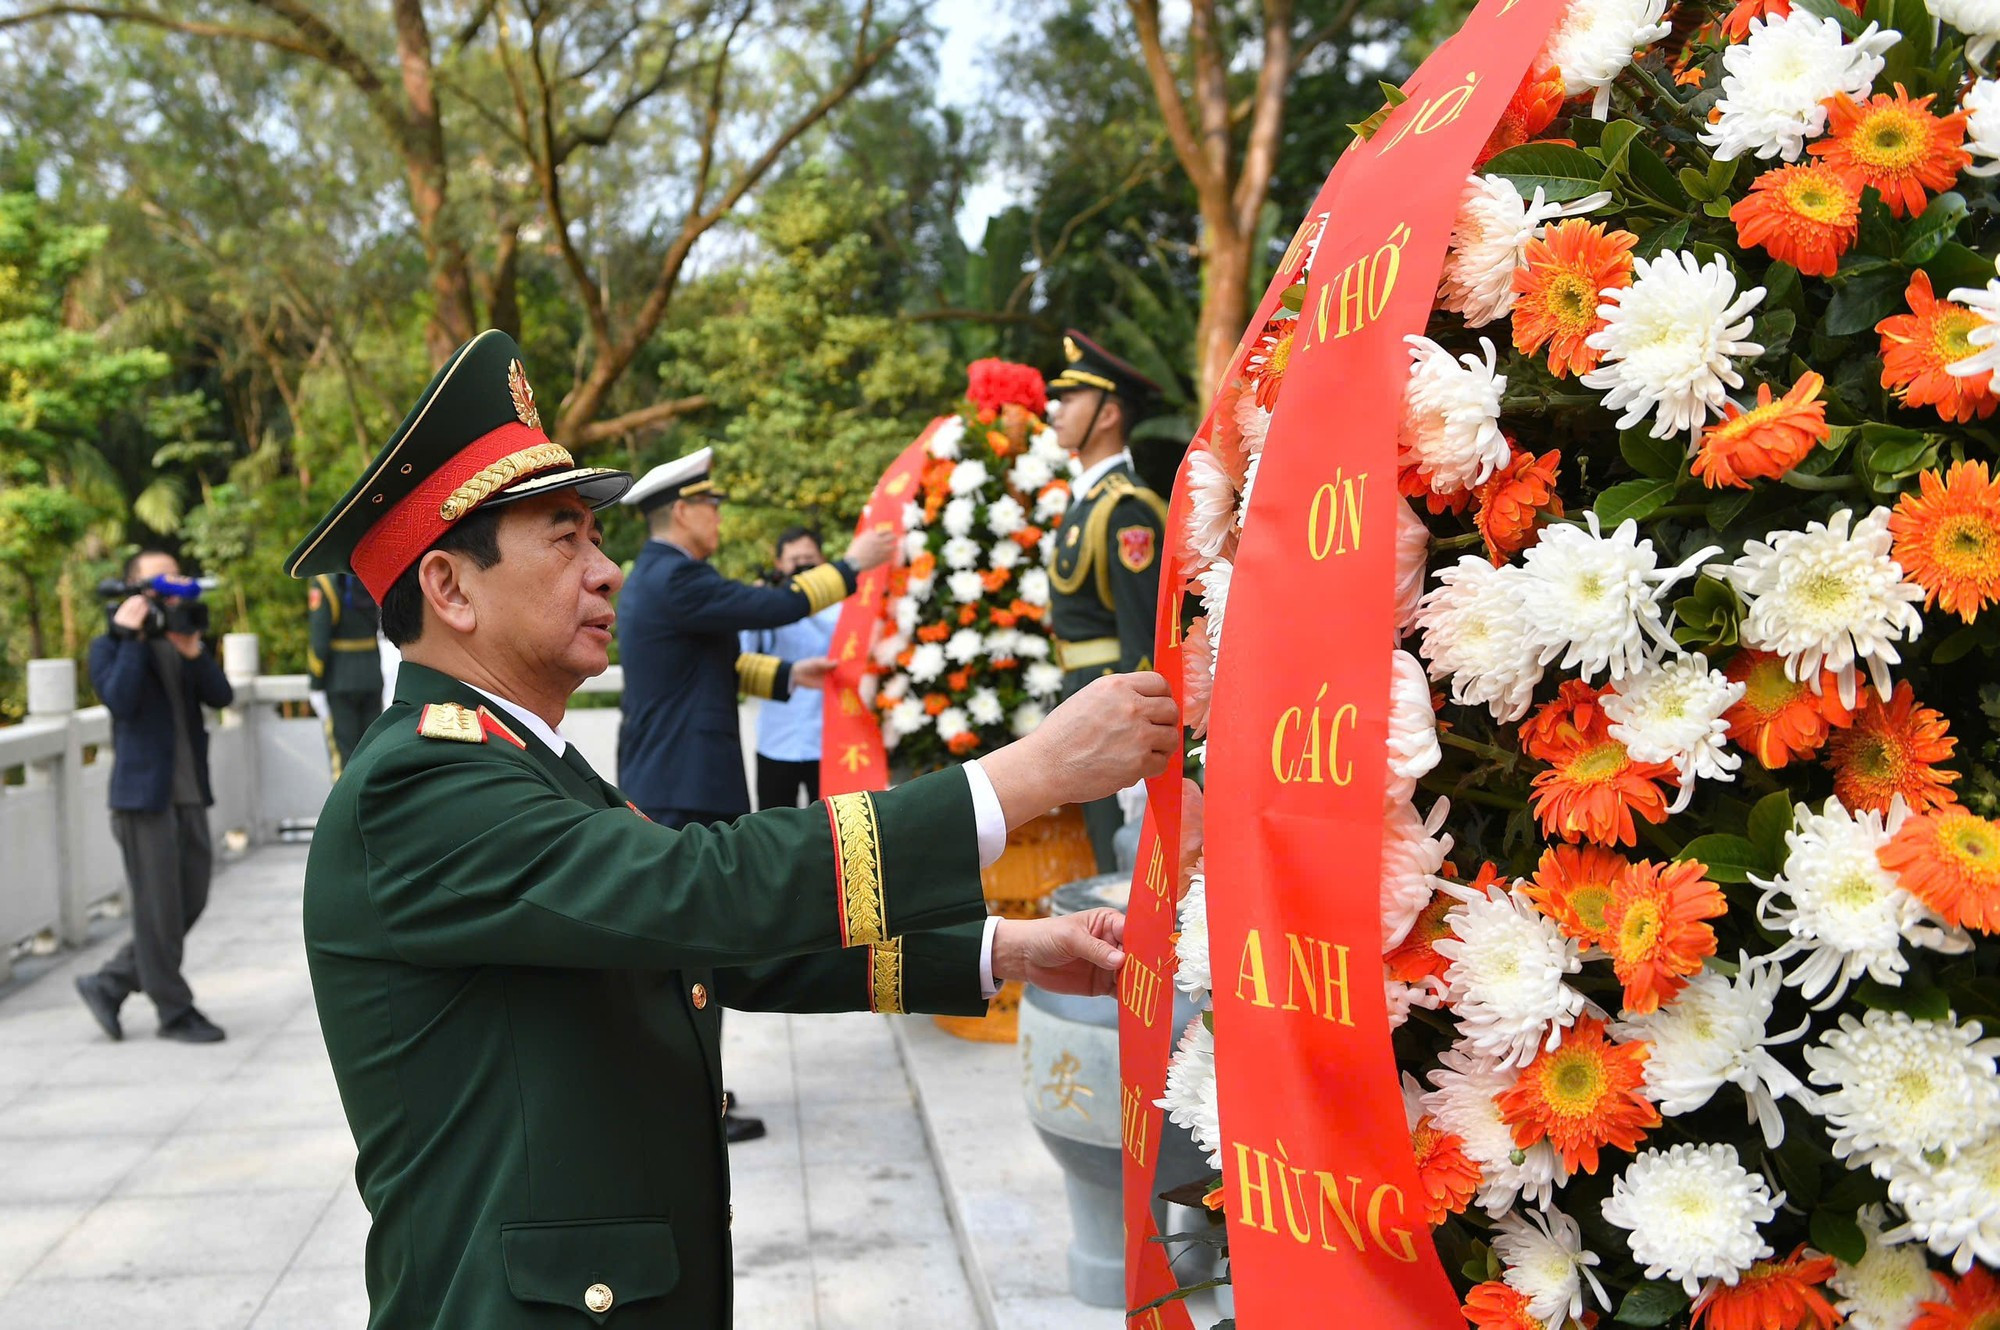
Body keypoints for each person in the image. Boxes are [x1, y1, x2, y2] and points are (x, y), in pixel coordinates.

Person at [283, 329, 1176, 1329]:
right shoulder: (419, 784)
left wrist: (999, 947)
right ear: (448, 588)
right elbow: (696, 889)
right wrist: (1026, 774)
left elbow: (701, 951)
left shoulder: (513, 756)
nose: (606, 571)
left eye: (597, 537)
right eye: (565, 537)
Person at [616, 450, 896, 1142]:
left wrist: (783, 675)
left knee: (693, 949)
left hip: (673, 779)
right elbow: (773, 602)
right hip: (681, 786)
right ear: (682, 511)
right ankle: (687, 1096)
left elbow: (708, 660)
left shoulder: (661, 579)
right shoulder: (676, 576)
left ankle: (693, 1087)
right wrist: (853, 564)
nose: (717, 516)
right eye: (710, 505)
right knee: (689, 950)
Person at [74, 549, 234, 1044]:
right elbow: (120, 700)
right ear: (134, 589)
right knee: (159, 909)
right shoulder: (109, 647)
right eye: (158, 580)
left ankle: (110, 981)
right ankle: (174, 1010)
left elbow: (222, 696)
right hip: (143, 798)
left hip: (188, 794)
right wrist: (131, 636)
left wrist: (194, 652)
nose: (171, 585)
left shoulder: (180, 637)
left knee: (189, 900)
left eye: (175, 575)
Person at [1045, 329, 1171, 871]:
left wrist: (1140, 746)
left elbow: (1142, 635)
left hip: (1108, 699)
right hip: (1083, 692)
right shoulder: (1087, 503)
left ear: (1107, 414)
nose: (1055, 411)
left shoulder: (1126, 509)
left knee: (1121, 871)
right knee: (1101, 858)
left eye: (1069, 398)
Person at [741, 525, 838, 810]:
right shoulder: (767, 603)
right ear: (779, 565)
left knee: (833, 826)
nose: (802, 567)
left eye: (809, 559)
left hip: (828, 739)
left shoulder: (841, 607)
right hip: (777, 738)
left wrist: (802, 601)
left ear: (823, 562)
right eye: (794, 561)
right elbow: (745, 652)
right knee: (773, 825)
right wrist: (758, 603)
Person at [305, 570, 384, 778]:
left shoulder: (325, 583)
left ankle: (345, 811)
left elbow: (319, 640)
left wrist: (315, 684)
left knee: (345, 758)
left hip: (339, 678)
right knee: (372, 754)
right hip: (372, 674)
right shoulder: (370, 575)